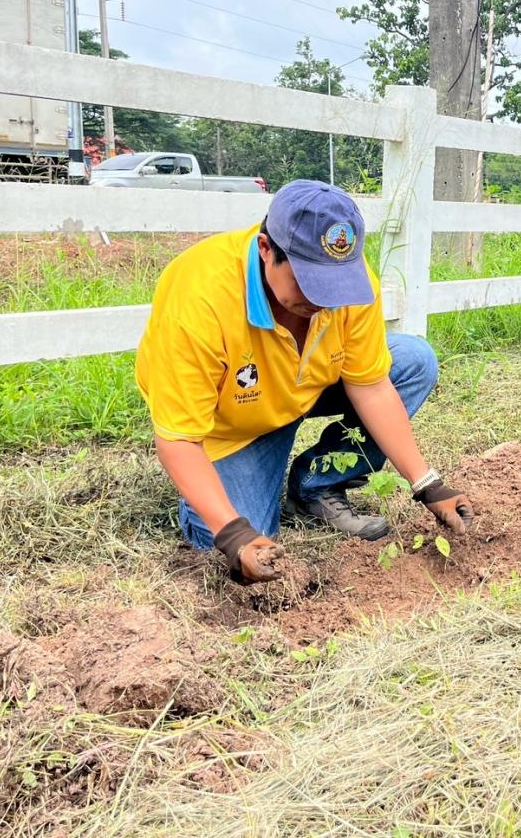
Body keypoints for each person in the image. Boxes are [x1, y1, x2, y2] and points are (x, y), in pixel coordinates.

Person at [135, 180, 473, 585]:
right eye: (307, 282)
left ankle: (314, 486)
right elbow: (178, 438)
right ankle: (243, 478)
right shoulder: (199, 296)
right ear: (265, 250)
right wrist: (234, 533)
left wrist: (427, 484)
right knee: (230, 542)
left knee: (413, 362)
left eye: (333, 286)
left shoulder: (349, 281)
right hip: (233, 424)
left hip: (306, 386)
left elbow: (371, 386)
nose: (324, 300)